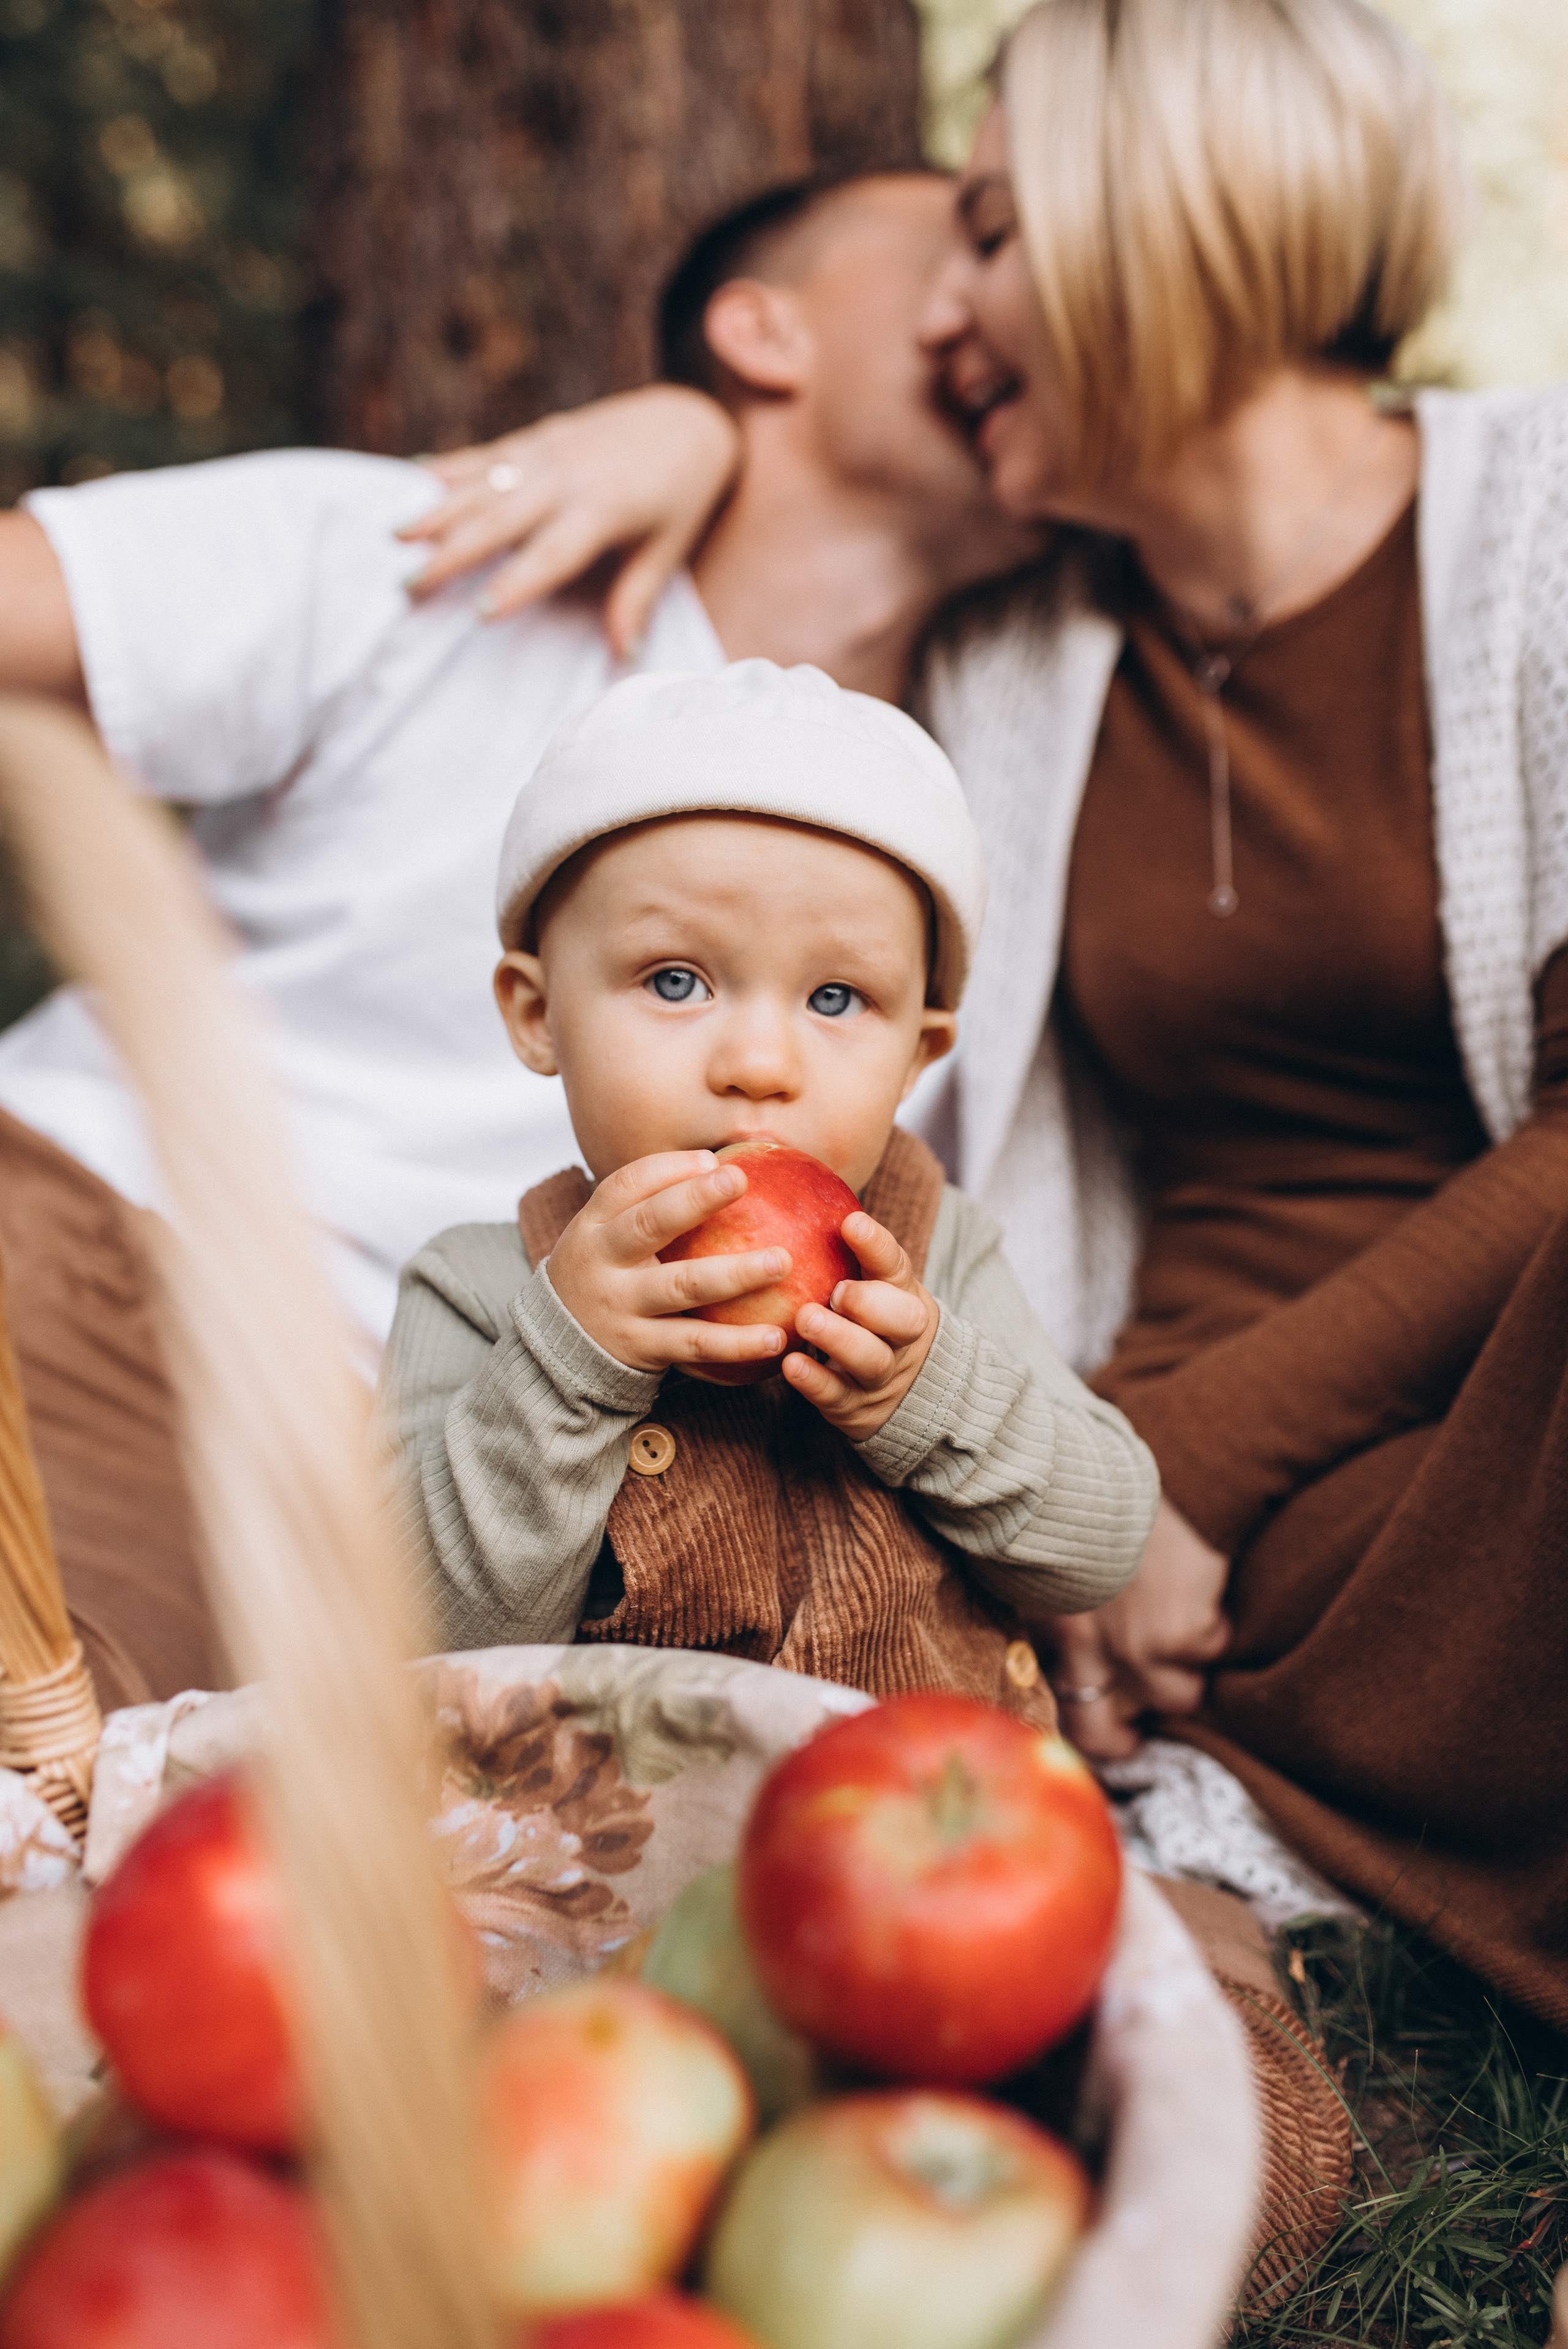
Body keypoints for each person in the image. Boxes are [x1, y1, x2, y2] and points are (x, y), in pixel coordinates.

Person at [405, 0, 1568, 2022]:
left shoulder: (1544, 523)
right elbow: (728, 768)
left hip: (1401, 1441)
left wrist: (1180, 1466)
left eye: (1000, 233)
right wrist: (685, 412)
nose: (954, 315)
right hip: (1120, 1494)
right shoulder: (1010, 654)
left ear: (1177, 221)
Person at [0, 169, 1036, 1707]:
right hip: (111, 1241)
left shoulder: (1029, 761)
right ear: (763, 333)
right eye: (975, 230)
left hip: (489, 1462)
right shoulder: (442, 550)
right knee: (77, 1755)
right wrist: (683, 419)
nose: (1025, 277)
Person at [380, 659, 1156, 1697]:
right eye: (675, 980)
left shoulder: (939, 1258)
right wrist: (567, 1364)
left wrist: (926, 1392)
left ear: (916, 1062)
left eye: (835, 999)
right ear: (537, 1014)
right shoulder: (478, 1288)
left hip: (924, 1828)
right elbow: (415, 1639)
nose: (760, 1063)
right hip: (616, 1847)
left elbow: (1100, 1547)